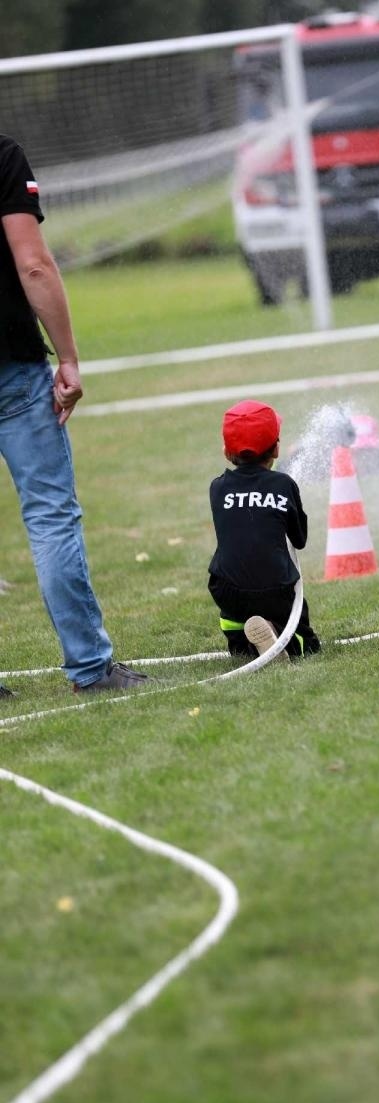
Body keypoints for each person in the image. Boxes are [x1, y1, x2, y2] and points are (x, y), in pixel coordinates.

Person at [0, 133, 148, 699]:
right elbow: (33, 264)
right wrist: (68, 358)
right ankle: (91, 668)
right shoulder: (3, 155)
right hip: (11, 366)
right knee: (50, 517)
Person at [208, 399, 320, 661]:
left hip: (227, 587)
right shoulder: (283, 484)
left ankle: (242, 644)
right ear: (277, 449)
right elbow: (299, 540)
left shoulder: (218, 488)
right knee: (307, 642)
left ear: (226, 451)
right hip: (274, 587)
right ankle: (285, 639)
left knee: (233, 612)